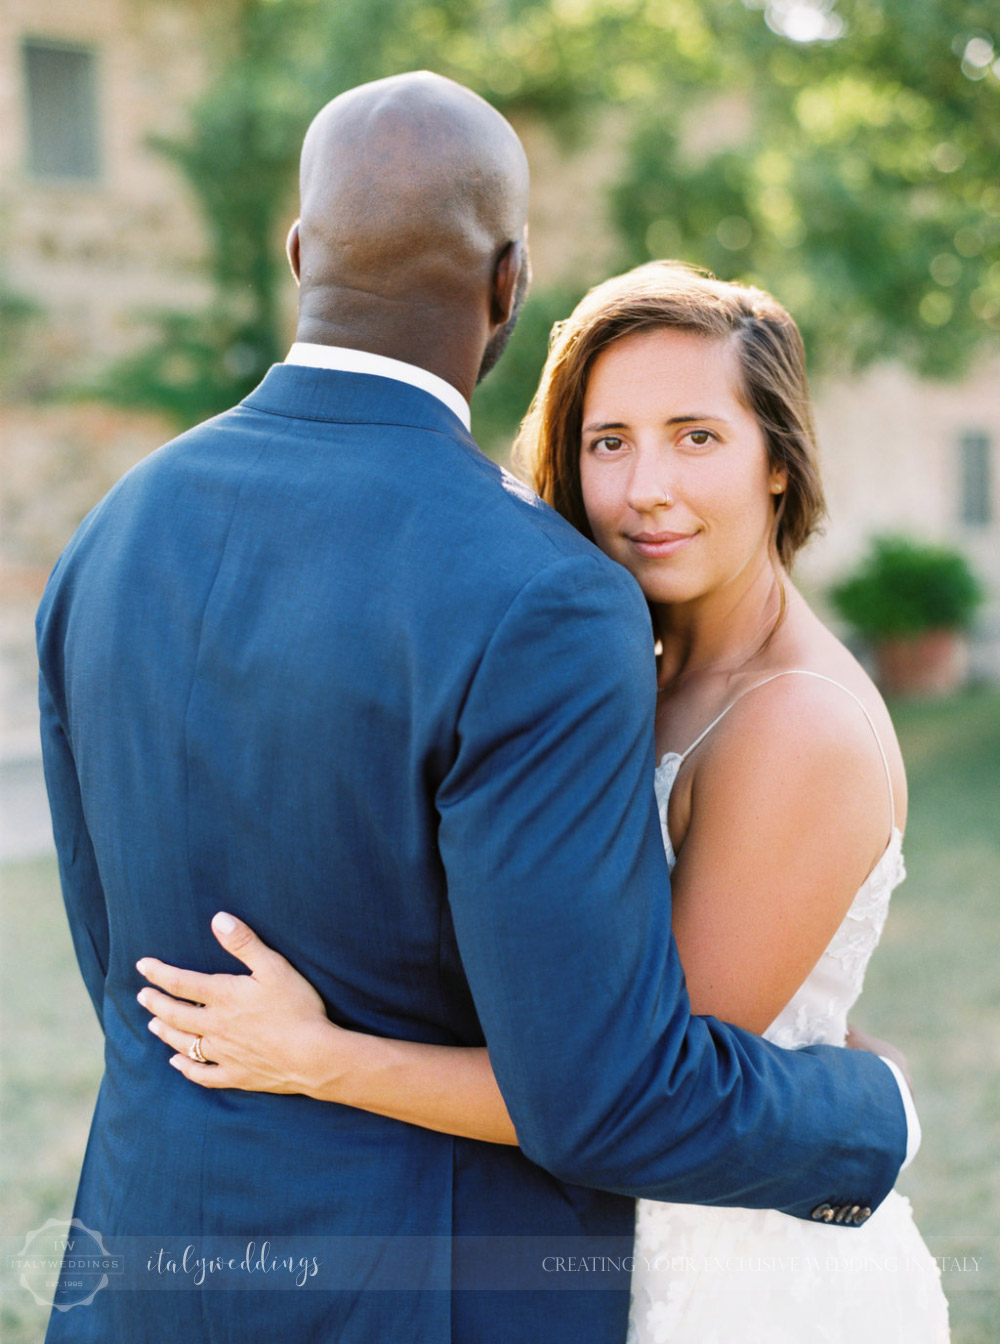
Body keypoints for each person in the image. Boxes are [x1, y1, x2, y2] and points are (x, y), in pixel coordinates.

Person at [39, 67, 914, 1344]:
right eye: (611, 440)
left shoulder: (110, 533)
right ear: (507, 283)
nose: (643, 483)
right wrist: (868, 1110)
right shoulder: (541, 597)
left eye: (696, 437)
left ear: (297, 254)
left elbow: (117, 954)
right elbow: (608, 1092)